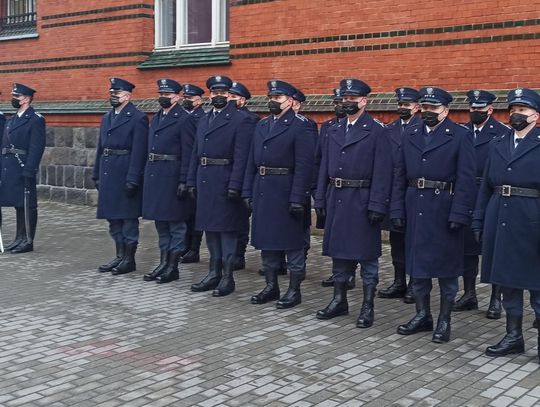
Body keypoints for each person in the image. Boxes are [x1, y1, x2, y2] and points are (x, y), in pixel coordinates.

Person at [391, 86, 476, 343]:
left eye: (433, 108)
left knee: (446, 271)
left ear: (445, 110)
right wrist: (396, 208)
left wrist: (460, 213)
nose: (428, 112)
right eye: (425, 108)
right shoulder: (411, 132)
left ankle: (444, 320)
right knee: (418, 268)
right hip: (415, 206)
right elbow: (399, 174)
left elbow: (466, 179)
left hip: (443, 209)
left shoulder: (459, 135)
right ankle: (422, 314)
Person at [314, 78, 392, 327]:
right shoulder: (334, 129)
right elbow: (323, 166)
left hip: (362, 199)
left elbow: (383, 171)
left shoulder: (378, 131)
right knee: (339, 253)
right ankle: (339, 299)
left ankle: (367, 305)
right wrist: (320, 198)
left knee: (366, 256)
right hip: (337, 197)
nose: (348, 103)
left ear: (364, 101)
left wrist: (378, 205)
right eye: (344, 99)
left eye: (352, 99)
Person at [473, 88, 540, 361]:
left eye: (522, 110)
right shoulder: (499, 142)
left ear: (536, 115)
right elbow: (486, 186)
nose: (516, 115)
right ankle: (513, 336)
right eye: (513, 110)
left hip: (532, 218)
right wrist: (478, 218)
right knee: (507, 281)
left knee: (537, 282)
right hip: (499, 216)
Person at [244, 80, 315, 309]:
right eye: (271, 97)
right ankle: (270, 285)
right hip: (264, 189)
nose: (273, 101)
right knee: (268, 242)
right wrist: (248, 190)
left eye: (278, 98)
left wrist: (298, 197)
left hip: (287, 190)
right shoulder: (262, 125)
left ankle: (294, 290)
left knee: (292, 243)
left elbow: (305, 165)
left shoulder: (300, 126)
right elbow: (251, 162)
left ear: (291, 101)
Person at [188, 75, 254, 297]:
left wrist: (236, 185)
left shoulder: (240, 120)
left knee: (226, 232)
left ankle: (227, 277)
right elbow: (195, 154)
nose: (218, 96)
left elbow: (242, 156)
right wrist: (190, 180)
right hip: (205, 179)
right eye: (214, 93)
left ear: (230, 95)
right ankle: (213, 273)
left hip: (225, 180)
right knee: (210, 230)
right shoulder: (204, 119)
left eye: (223, 93)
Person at [453, 90, 508, 319]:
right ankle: (469, 294)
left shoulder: (502, 133)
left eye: (480, 109)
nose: (475, 112)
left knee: (492, 248)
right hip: (466, 193)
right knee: (466, 248)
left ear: (490, 109)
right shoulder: (462, 132)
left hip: (489, 194)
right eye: (473, 108)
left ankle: (496, 299)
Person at [141, 79, 197, 283]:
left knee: (176, 225)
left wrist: (184, 180)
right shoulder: (157, 118)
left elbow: (189, 152)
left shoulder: (184, 119)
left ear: (177, 96)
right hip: (157, 175)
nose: (163, 97)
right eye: (161, 94)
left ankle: (173, 265)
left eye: (168, 94)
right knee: (161, 223)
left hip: (173, 176)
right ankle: (163, 262)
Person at [93, 78, 148, 275]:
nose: (113, 96)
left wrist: (133, 178)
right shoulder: (107, 117)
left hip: (124, 171)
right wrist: (96, 173)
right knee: (112, 217)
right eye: (112, 93)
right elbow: (101, 147)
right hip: (108, 172)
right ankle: (119, 254)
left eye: (117, 93)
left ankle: (129, 258)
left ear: (128, 96)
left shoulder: (137, 117)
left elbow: (139, 151)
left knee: (127, 218)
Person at [378, 87, 422, 303]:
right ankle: (398, 281)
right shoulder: (390, 129)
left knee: (414, 239)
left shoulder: (424, 127)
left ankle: (415, 283)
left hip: (414, 190)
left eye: (407, 105)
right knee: (397, 239)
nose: (403, 108)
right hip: (393, 192)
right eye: (401, 105)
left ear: (417, 107)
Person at [0, 83, 45, 254]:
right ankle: (19, 238)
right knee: (18, 204)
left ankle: (28, 240)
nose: (13, 99)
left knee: (27, 204)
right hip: (10, 167)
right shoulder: (12, 119)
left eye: (16, 97)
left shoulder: (35, 119)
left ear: (26, 99)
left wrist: (29, 169)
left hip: (23, 166)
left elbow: (37, 147)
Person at [228, 81, 260, 271]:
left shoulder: (249, 119)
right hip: (226, 173)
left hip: (242, 173)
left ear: (242, 100)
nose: (229, 100)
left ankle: (238, 255)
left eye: (233, 97)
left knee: (239, 218)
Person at [180, 83, 206, 264]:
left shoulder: (202, 118)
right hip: (184, 167)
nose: (186, 101)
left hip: (196, 167)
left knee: (195, 213)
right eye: (185, 98)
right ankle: (184, 245)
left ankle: (194, 248)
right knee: (185, 212)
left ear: (199, 101)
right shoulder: (184, 116)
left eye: (190, 98)